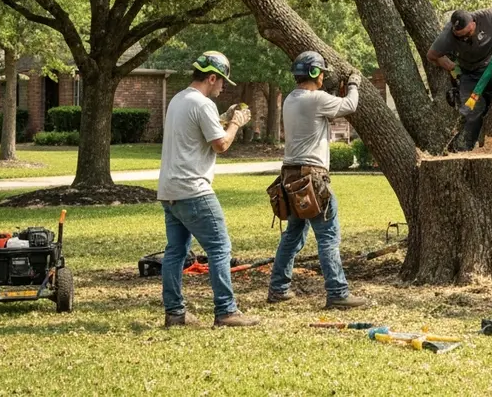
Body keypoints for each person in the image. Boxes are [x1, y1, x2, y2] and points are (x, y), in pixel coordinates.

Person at [157, 51, 257, 327]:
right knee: (220, 248)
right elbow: (221, 145)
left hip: (169, 190)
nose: (223, 87)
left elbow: (197, 132)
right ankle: (226, 311)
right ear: (211, 78)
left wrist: (224, 117)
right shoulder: (202, 105)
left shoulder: (178, 99)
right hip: (194, 189)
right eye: (222, 81)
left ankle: (175, 314)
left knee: (175, 252)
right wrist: (236, 123)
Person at [267, 51, 369, 309]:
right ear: (313, 73)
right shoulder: (316, 99)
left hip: (290, 177)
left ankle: (278, 288)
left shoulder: (291, 99)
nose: (324, 76)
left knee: (292, 235)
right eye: (322, 72)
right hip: (312, 178)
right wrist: (355, 84)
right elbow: (350, 106)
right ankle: (337, 292)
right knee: (328, 237)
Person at [426, 8, 492, 151]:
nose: (465, 38)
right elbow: (432, 55)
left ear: (473, 23)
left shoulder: (489, 16)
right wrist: (447, 64)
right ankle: (464, 150)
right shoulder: (447, 35)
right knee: (474, 110)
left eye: (467, 33)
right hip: (470, 74)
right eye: (460, 36)